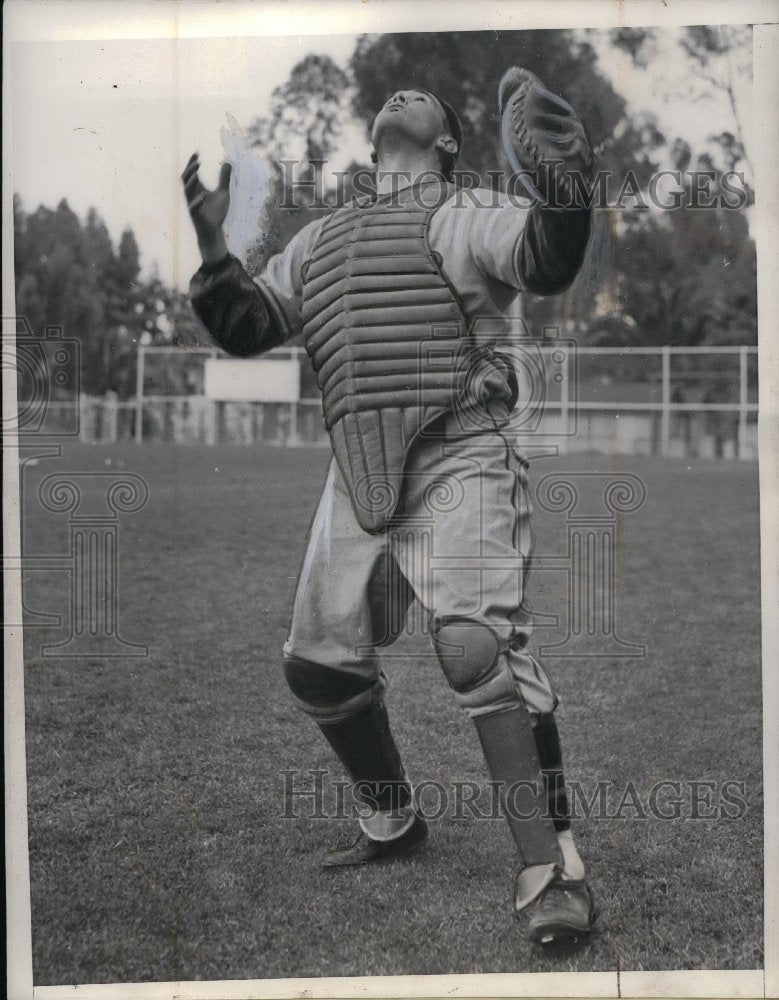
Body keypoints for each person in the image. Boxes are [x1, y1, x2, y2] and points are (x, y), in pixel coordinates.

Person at [182, 70, 596, 946]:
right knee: (319, 667)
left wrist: (562, 199)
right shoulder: (321, 239)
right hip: (355, 469)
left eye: (428, 101)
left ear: (447, 142)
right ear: (373, 139)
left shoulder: (464, 209)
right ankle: (392, 819)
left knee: (475, 644)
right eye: (397, 95)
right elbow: (252, 326)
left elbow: (541, 261)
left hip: (460, 446)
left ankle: (550, 868)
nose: (406, 92)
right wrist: (215, 249)